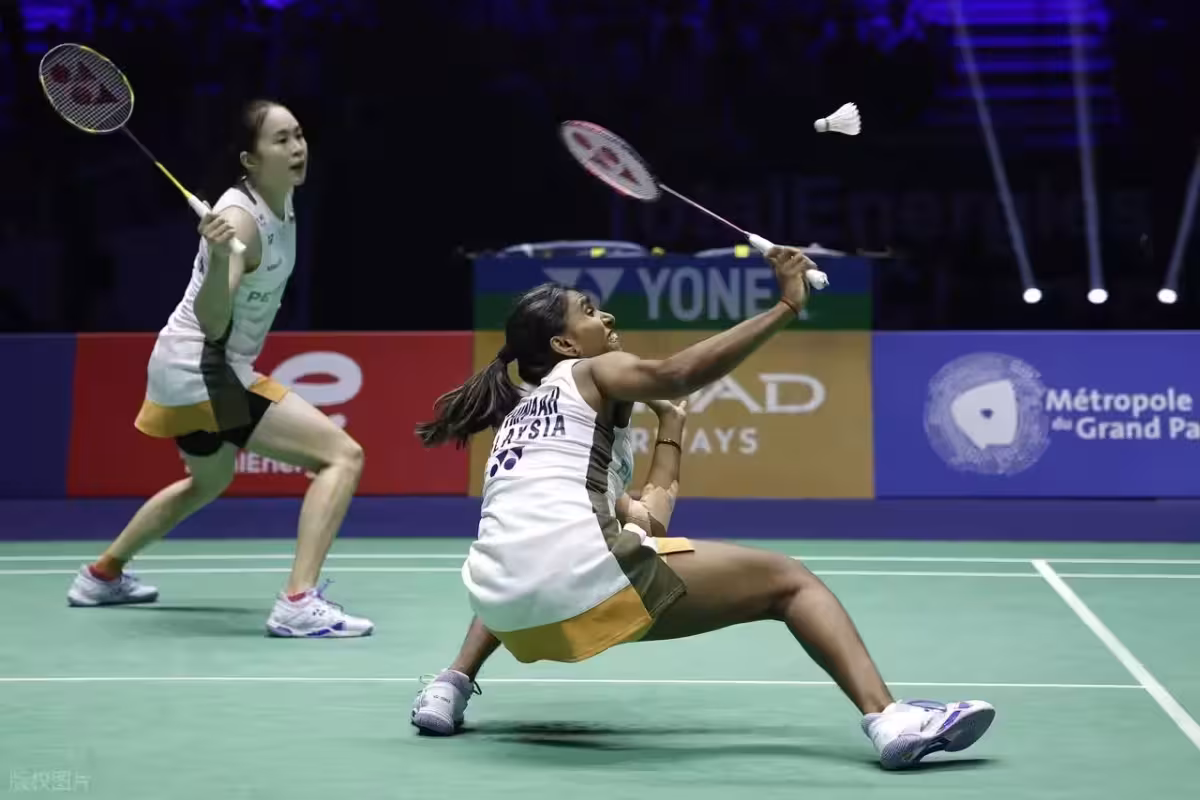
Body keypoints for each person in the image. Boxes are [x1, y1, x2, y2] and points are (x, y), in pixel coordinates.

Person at [409, 247, 995, 769]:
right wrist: (785, 306)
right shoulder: (586, 370)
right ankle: (890, 719)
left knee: (534, 544)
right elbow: (676, 372)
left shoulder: (529, 419)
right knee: (791, 582)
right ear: (563, 345)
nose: (606, 318)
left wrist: (673, 422)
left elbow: (649, 524)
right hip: (574, 591)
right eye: (588, 311)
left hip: (510, 615)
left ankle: (450, 684)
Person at [66, 99, 373, 639]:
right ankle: (298, 602)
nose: (297, 147)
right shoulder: (239, 222)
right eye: (281, 139)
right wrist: (219, 260)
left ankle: (102, 575)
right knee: (342, 457)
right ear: (249, 160)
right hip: (202, 365)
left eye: (299, 135)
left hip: (195, 365)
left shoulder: (282, 200)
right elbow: (212, 322)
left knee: (209, 481)